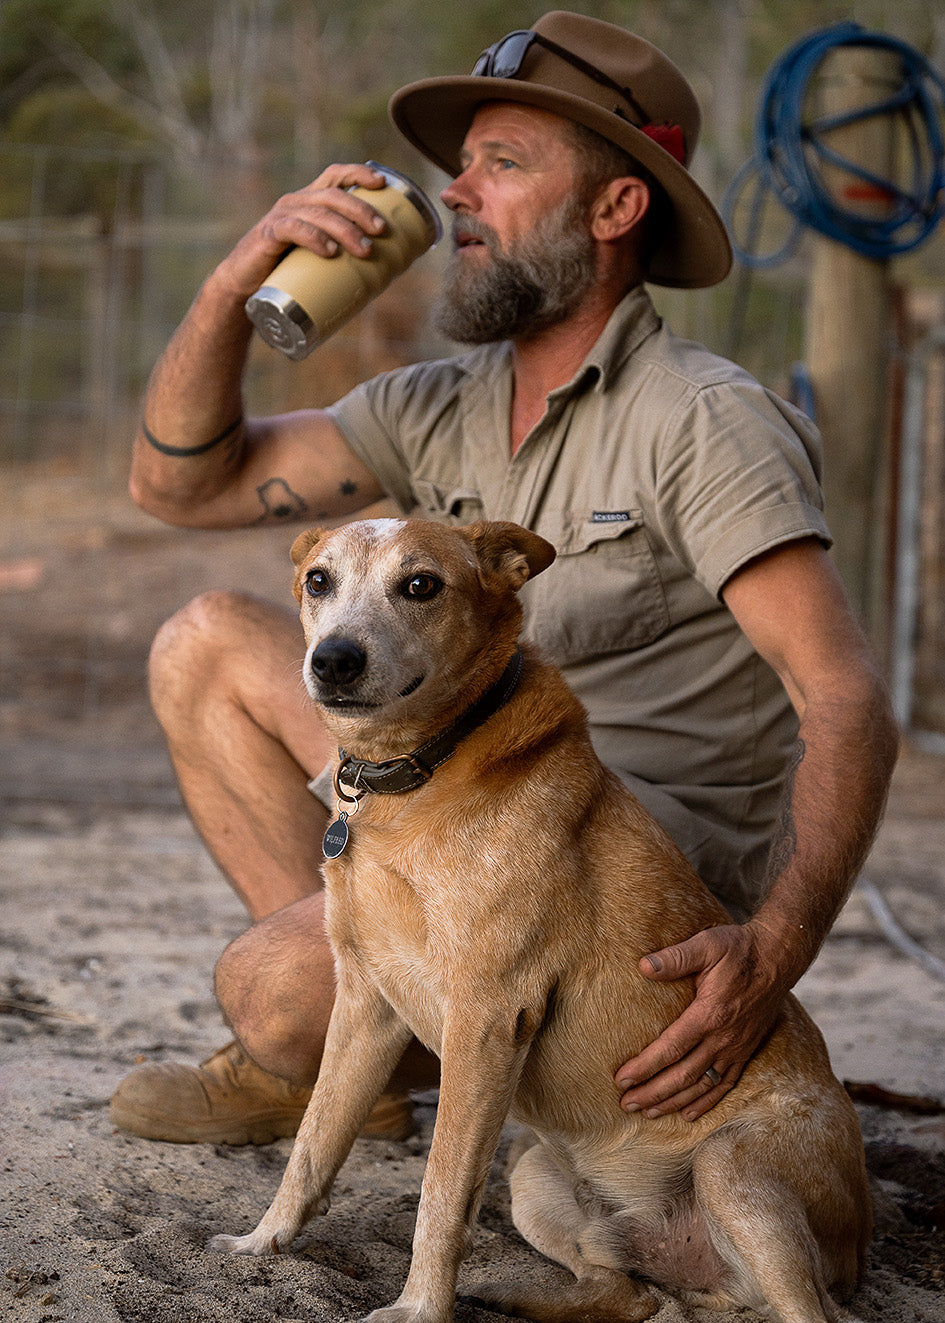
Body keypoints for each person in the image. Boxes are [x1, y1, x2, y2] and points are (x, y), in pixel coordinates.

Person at [111, 11, 898, 1146]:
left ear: (616, 209)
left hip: (620, 855)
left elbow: (844, 695)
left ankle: (327, 1027)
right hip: (462, 788)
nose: (457, 198)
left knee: (271, 991)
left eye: (504, 165)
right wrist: (242, 278)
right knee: (204, 643)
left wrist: (772, 956)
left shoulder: (704, 420)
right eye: (461, 166)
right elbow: (178, 487)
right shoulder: (438, 401)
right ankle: (357, 1062)